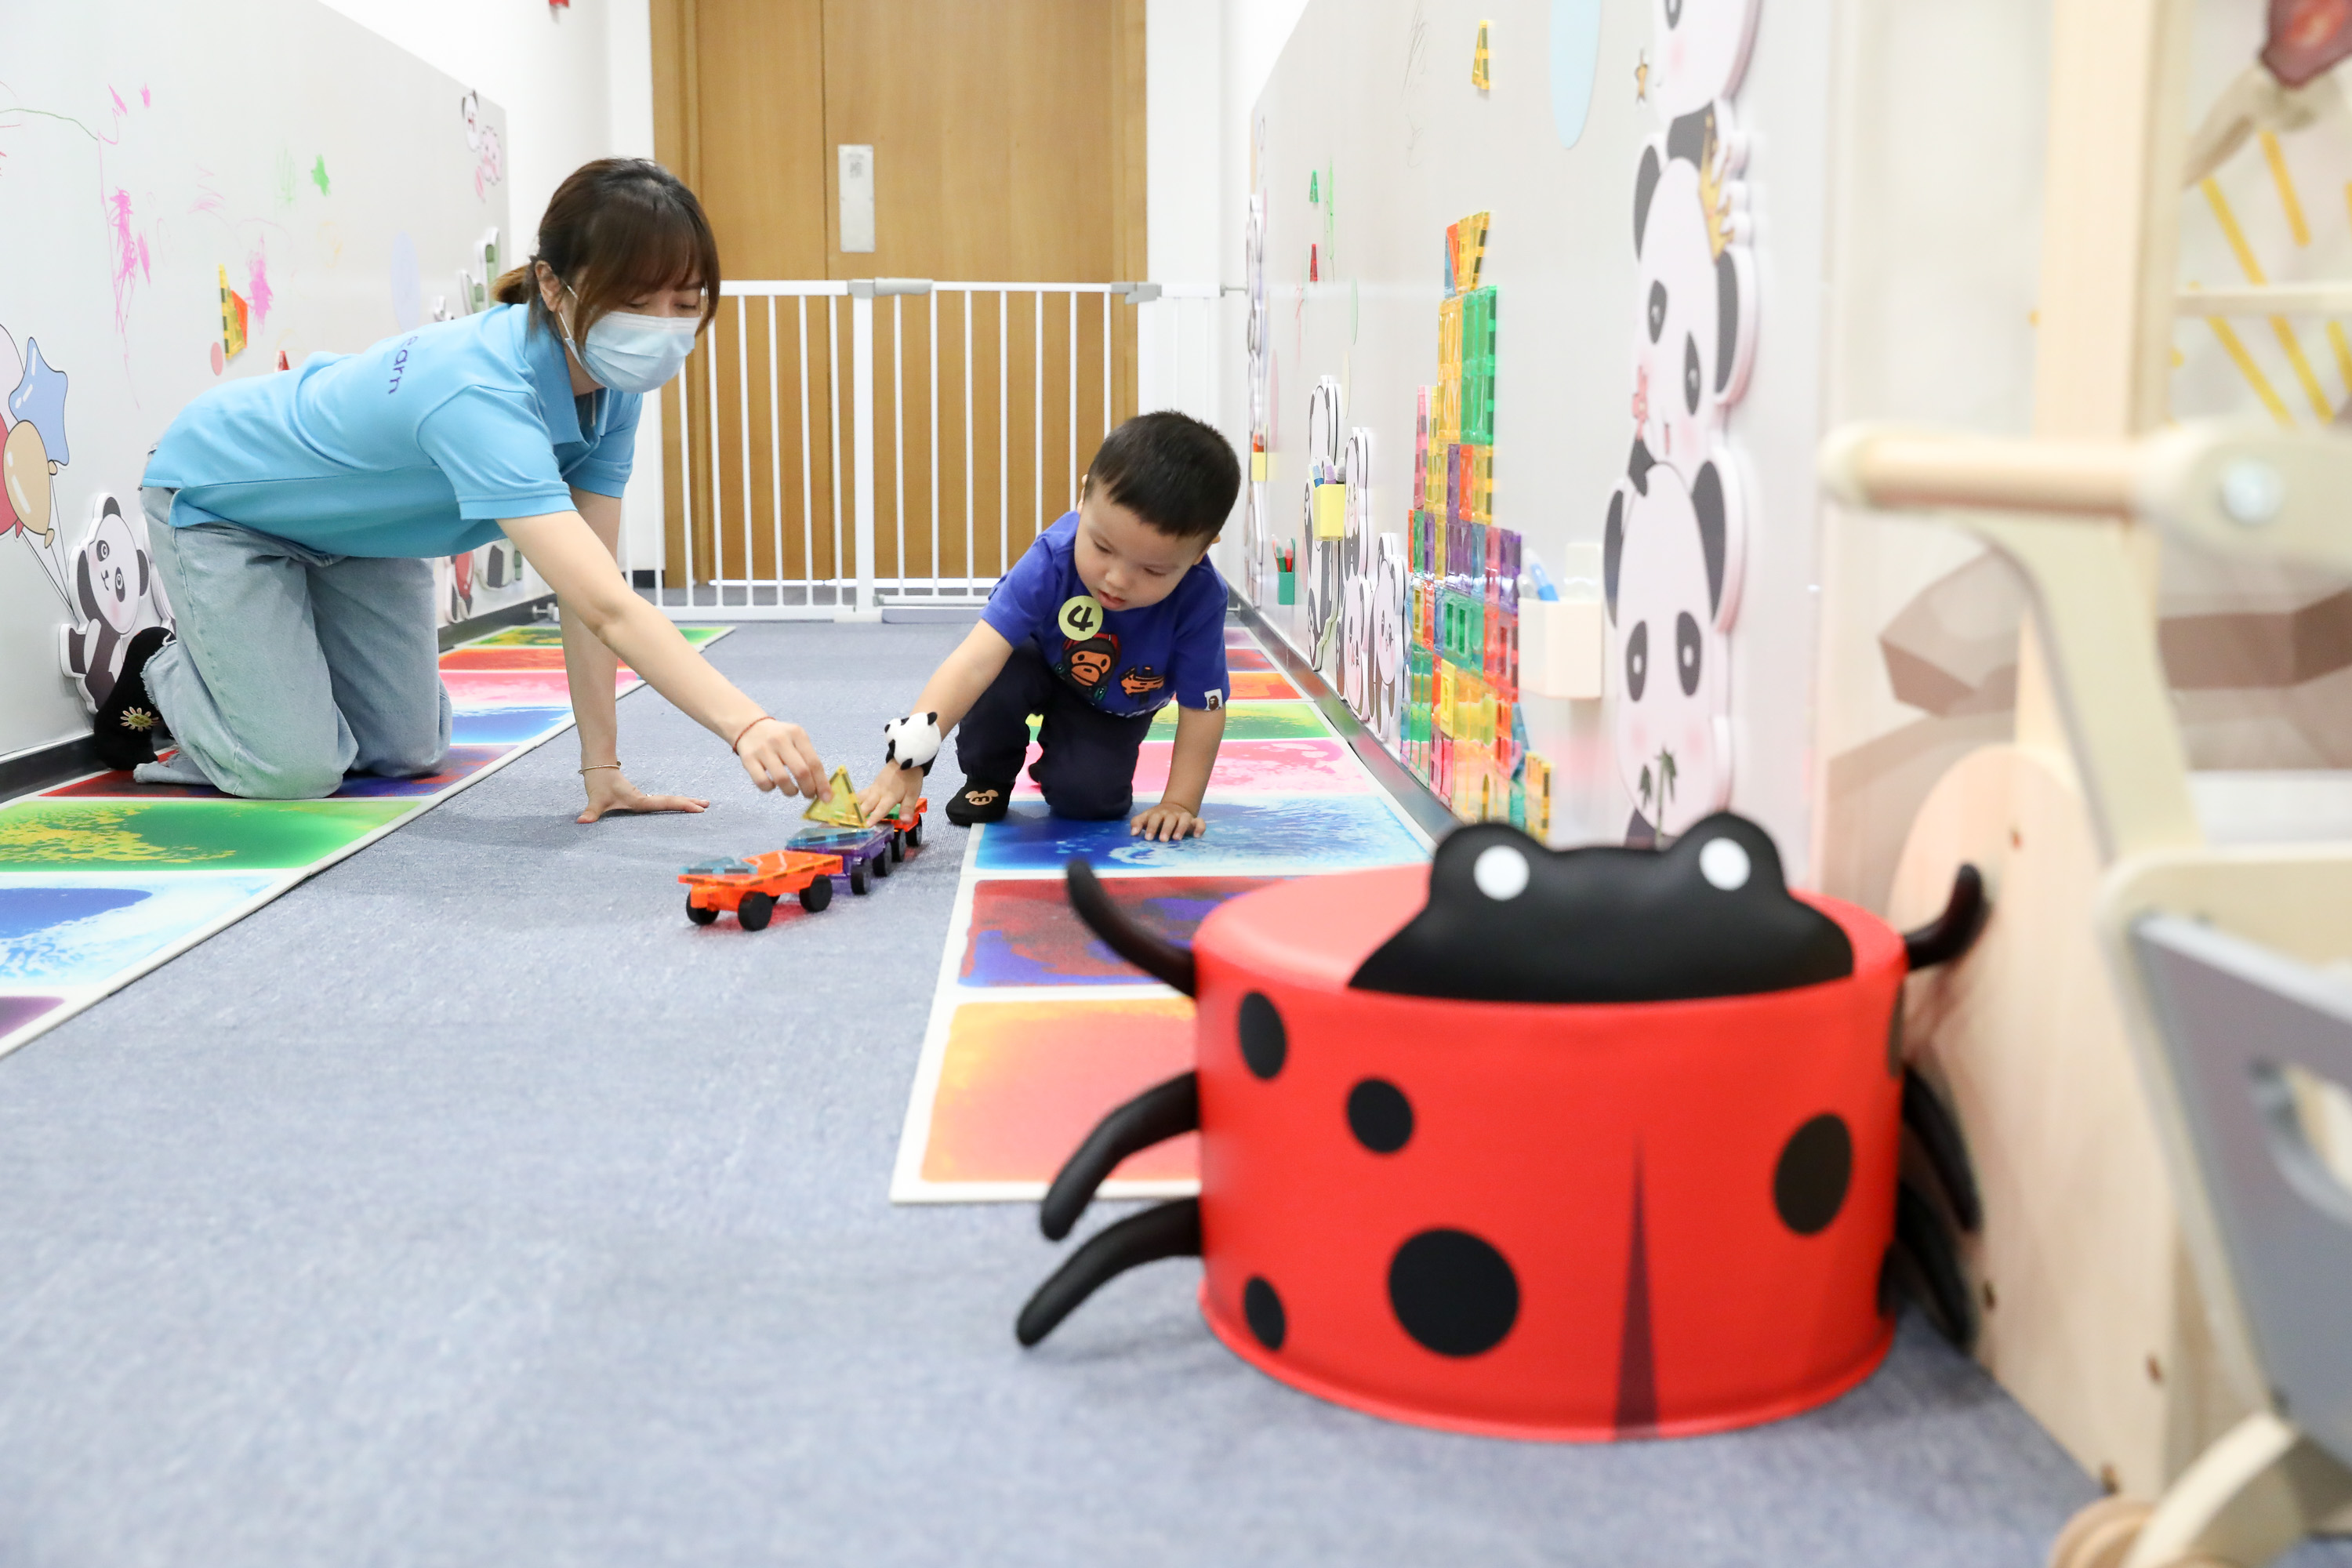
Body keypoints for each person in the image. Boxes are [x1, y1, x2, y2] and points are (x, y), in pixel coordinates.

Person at [104, 158, 829, 822]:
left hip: (360, 536)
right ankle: (161, 672)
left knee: (410, 751)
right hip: (224, 498)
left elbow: (591, 595)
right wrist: (746, 723)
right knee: (295, 770)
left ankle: (268, 674)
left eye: (685, 303)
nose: (663, 327)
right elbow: (612, 609)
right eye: (637, 301)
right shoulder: (481, 390)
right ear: (553, 285)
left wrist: (602, 770)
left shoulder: (611, 389)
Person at [859, 412, 1240, 842]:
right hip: (1038, 661)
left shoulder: (1201, 598)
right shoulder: (1052, 557)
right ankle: (989, 776)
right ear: (1084, 498)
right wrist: (907, 762)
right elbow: (973, 661)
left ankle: (1066, 757)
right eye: (1102, 547)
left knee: (1089, 803)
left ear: (1201, 551)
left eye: (1152, 570)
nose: (1116, 579)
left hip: (1113, 704)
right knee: (998, 672)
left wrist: (1180, 803)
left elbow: (1203, 708)